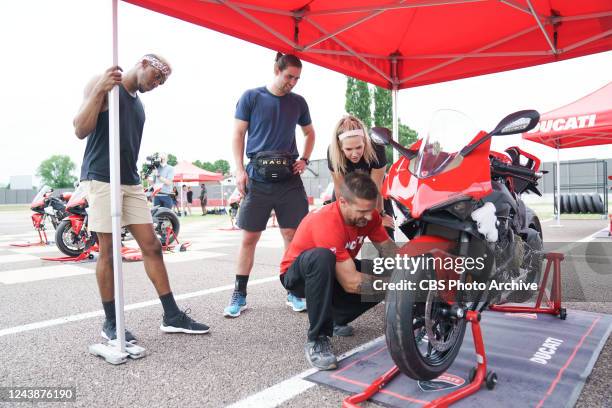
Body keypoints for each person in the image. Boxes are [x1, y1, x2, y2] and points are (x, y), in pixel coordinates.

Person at [73, 54, 210, 343]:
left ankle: (171, 315)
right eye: (157, 77)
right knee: (109, 251)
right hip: (100, 177)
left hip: (130, 180)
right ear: (143, 64)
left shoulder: (139, 106)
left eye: (162, 82)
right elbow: (80, 129)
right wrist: (99, 90)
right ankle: (111, 323)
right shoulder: (104, 85)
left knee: (152, 245)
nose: (157, 84)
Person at [225, 52, 315, 318]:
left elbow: (310, 132)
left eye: (297, 78)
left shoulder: (298, 102)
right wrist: (240, 170)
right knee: (249, 238)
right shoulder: (252, 97)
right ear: (276, 70)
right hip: (258, 176)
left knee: (292, 236)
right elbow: (238, 134)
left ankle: (294, 291)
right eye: (289, 76)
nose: (293, 83)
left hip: (288, 178)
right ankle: (239, 293)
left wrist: (305, 159)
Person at [280, 172, 396, 370]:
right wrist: (399, 285)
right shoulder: (326, 222)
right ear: (342, 202)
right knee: (323, 258)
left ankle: (335, 319)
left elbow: (390, 252)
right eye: (362, 211)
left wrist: (417, 273)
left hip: (336, 267)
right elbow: (351, 283)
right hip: (298, 275)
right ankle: (317, 339)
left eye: (371, 209)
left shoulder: (371, 216)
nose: (368, 216)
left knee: (385, 272)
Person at [327, 115, 395, 238]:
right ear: (340, 147)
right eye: (348, 149)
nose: (354, 154)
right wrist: (349, 217)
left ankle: (387, 256)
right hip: (347, 191)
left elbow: (376, 188)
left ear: (365, 142)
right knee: (340, 234)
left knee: (385, 230)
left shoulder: (377, 147)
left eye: (359, 147)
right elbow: (340, 191)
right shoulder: (333, 152)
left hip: (375, 192)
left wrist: (379, 217)